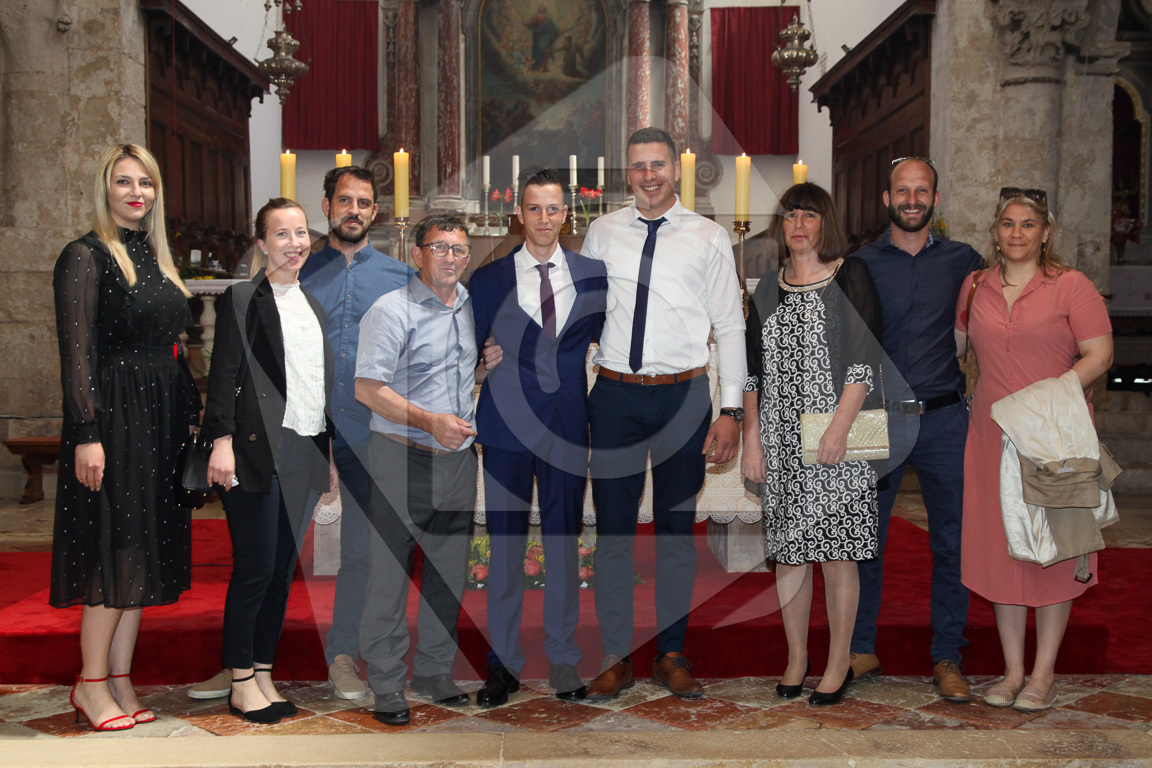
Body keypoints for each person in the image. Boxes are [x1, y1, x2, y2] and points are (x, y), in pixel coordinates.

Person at [583, 127, 746, 701]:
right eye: (638, 166)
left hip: (684, 395)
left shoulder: (708, 236)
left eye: (658, 165)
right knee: (614, 533)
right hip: (616, 395)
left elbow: (730, 325)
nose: (648, 176)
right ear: (627, 174)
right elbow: (580, 314)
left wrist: (731, 409)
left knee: (677, 532)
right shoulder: (602, 233)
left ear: (676, 170)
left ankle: (671, 652)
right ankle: (616, 655)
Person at [51, 143, 200, 732]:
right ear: (105, 189)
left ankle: (119, 679)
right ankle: (90, 684)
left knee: (142, 550)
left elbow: (172, 349)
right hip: (113, 419)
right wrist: (87, 433)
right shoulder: (85, 255)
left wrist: (189, 414)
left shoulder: (157, 257)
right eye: (124, 182)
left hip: (159, 420)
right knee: (115, 547)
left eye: (146, 182)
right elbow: (76, 355)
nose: (137, 192)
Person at [955, 187, 1112, 712]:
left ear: (1045, 233)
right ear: (995, 232)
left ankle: (1043, 675)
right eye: (1008, 223)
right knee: (1001, 552)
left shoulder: (1071, 286)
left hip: (1053, 439)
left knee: (1056, 551)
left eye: (1028, 224)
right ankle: (1012, 671)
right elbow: (957, 348)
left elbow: (1099, 354)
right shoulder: (975, 287)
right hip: (991, 438)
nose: (1017, 233)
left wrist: (1050, 396)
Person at [741, 183, 884, 707]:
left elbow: (865, 358)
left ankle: (838, 661)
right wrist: (753, 438)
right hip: (779, 435)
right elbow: (752, 373)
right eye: (790, 216)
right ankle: (797, 658)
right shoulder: (767, 286)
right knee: (790, 552)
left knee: (838, 553)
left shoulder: (851, 274)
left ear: (826, 222)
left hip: (837, 431)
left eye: (809, 215)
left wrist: (839, 428)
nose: (798, 225)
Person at [470, 166, 607, 707]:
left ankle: (563, 657)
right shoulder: (489, 279)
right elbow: (466, 351)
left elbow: (612, 340)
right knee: (505, 548)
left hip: (566, 427)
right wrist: (481, 362)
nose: (544, 218)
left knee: (563, 546)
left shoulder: (593, 275)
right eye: (534, 208)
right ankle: (502, 663)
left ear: (566, 214)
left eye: (553, 209)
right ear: (519, 214)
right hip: (505, 429)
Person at [850, 157, 983, 701]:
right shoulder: (860, 263)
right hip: (875, 418)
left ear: (935, 198)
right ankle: (860, 648)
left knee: (953, 542)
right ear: (887, 199)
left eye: (921, 191)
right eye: (902, 191)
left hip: (944, 418)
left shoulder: (965, 262)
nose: (912, 200)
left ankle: (948, 654)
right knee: (863, 540)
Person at [202, 198, 334, 724]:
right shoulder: (242, 298)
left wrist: (326, 454)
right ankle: (239, 681)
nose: (294, 243)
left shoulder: (312, 304)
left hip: (304, 451)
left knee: (280, 572)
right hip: (255, 453)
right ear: (262, 243)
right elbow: (223, 373)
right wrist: (221, 441)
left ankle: (262, 672)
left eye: (301, 233)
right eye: (282, 234)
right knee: (254, 569)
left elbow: (315, 387)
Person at [355, 215, 478, 726]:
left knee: (447, 572)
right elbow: (368, 389)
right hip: (402, 457)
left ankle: (433, 670)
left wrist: (484, 364)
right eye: (440, 247)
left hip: (457, 461)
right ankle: (386, 681)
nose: (451, 257)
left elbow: (451, 370)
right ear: (417, 255)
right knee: (389, 574)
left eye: (459, 249)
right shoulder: (390, 310)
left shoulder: (467, 304)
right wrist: (430, 421)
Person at [303, 167, 414, 699]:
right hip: (301, 430)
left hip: (369, 431)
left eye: (363, 202)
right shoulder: (297, 270)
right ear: (326, 205)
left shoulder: (400, 277)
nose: (353, 210)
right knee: (274, 549)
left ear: (375, 212)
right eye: (344, 200)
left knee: (362, 551)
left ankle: (343, 655)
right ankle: (246, 663)